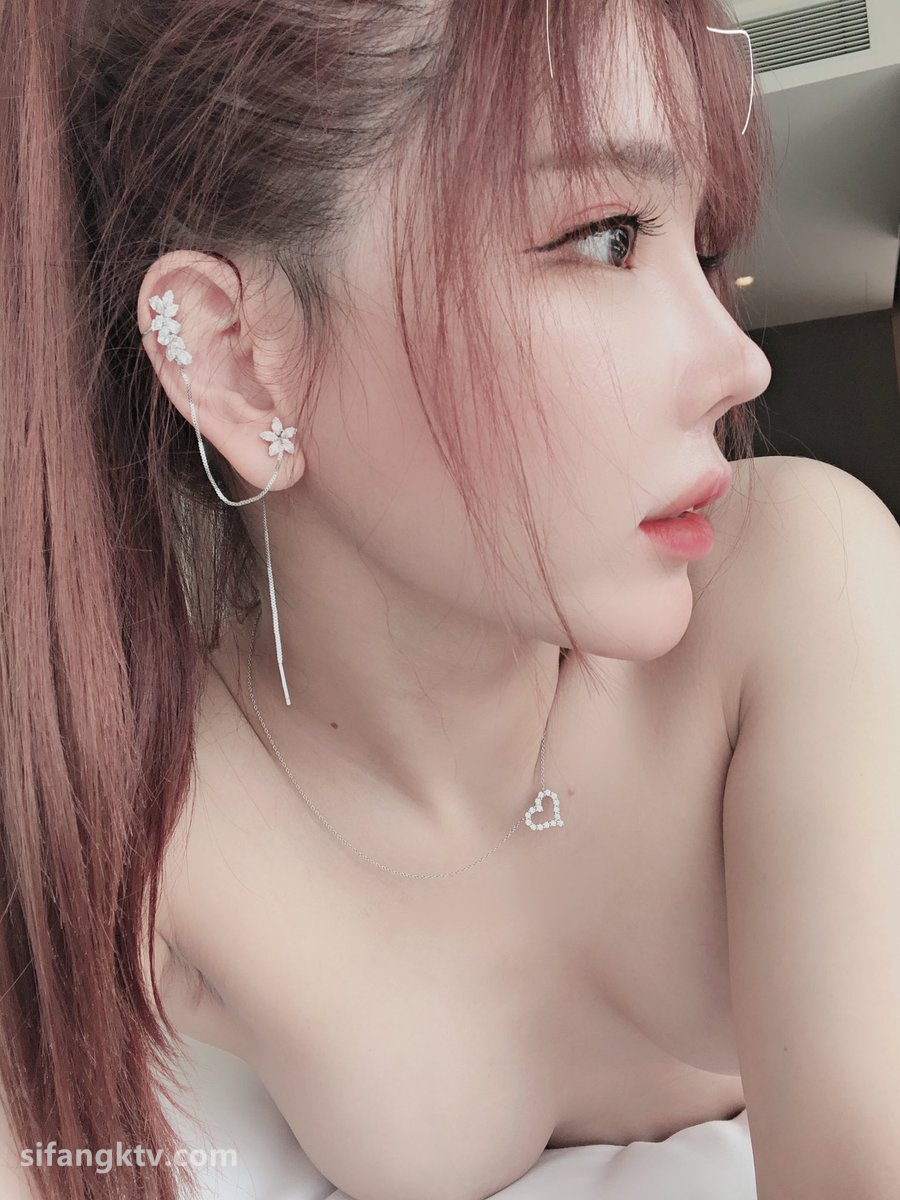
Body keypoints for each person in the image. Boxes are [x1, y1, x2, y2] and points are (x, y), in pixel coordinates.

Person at [4, 2, 900, 1200]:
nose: (742, 361)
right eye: (606, 237)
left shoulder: (793, 579)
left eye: (703, 244)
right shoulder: (149, 813)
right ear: (241, 361)